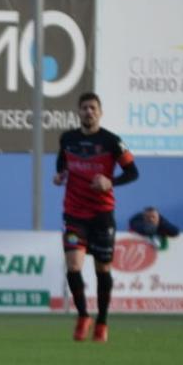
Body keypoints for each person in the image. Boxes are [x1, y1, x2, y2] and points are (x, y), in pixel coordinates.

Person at [53, 92, 138, 343]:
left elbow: (133, 172)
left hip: (102, 216)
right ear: (78, 112)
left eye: (93, 108)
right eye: (84, 108)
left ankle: (102, 321)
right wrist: (60, 175)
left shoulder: (112, 141)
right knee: (73, 266)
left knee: (102, 269)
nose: (88, 112)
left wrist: (109, 181)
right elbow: (62, 163)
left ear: (100, 112)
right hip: (74, 214)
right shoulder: (68, 139)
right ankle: (82, 316)